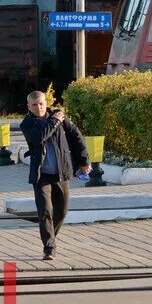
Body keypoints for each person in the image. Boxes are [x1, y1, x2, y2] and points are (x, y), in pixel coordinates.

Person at [20, 91, 89, 261]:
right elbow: (40, 137)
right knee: (45, 211)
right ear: (29, 106)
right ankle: (49, 247)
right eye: (34, 105)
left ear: (46, 102)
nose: (39, 108)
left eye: (41, 103)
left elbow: (76, 137)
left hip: (61, 171)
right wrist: (54, 120)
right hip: (41, 174)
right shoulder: (27, 123)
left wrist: (84, 161)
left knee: (62, 211)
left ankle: (51, 238)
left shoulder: (60, 117)